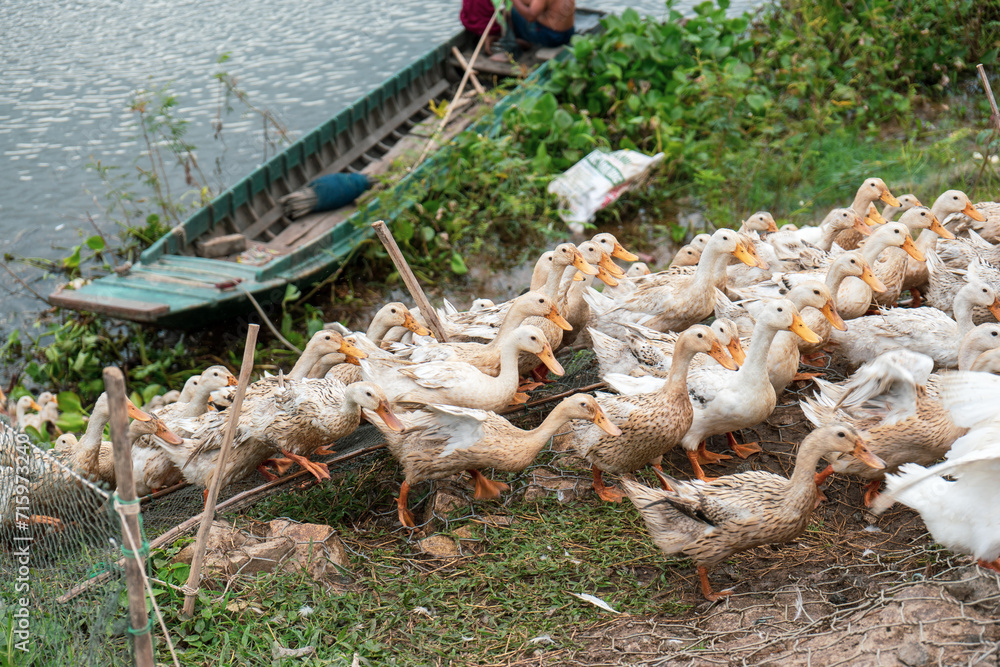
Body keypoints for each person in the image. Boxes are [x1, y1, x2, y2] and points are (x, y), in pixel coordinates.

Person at [509, 0, 575, 48]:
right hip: (569, 33)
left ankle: (511, 47)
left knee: (512, 10)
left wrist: (515, 1)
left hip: (552, 38)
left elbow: (530, 17)